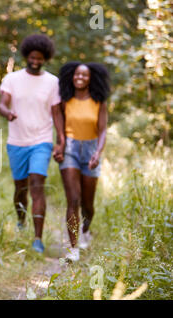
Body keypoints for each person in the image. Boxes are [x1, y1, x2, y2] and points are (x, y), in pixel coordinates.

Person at [0, 34, 61, 253]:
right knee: (20, 189)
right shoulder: (12, 79)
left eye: (40, 58)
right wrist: (8, 113)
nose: (36, 61)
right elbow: (2, 104)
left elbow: (56, 113)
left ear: (45, 58)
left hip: (41, 141)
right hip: (16, 142)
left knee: (37, 185)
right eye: (32, 57)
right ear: (27, 55)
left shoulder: (53, 82)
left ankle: (37, 239)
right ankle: (21, 221)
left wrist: (60, 141)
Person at [52, 62, 110, 262]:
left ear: (90, 78)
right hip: (70, 149)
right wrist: (60, 144)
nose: (80, 78)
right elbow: (57, 120)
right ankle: (73, 247)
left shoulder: (98, 101)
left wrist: (98, 152)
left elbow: (102, 130)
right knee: (73, 199)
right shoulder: (65, 99)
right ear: (71, 76)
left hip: (92, 149)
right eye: (77, 74)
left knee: (87, 204)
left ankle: (86, 229)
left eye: (84, 75)